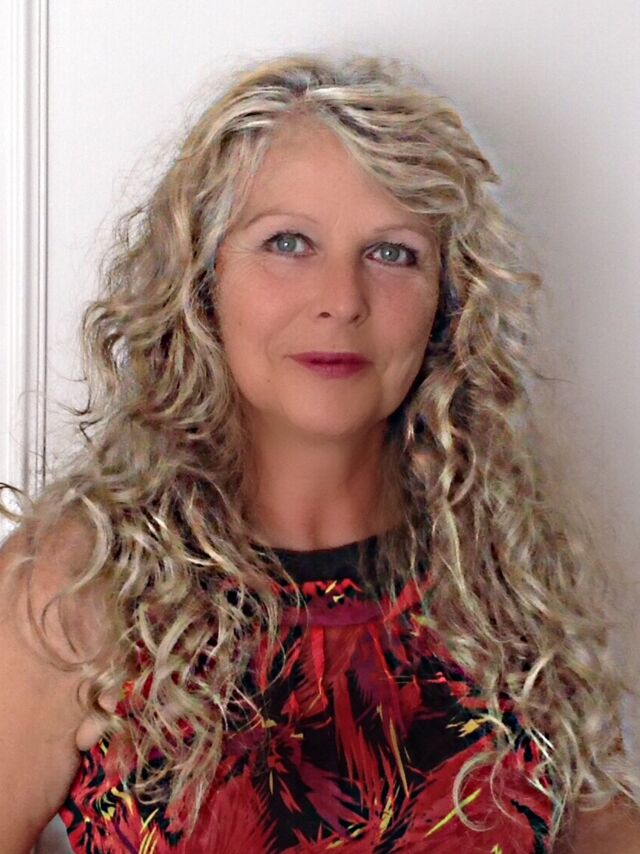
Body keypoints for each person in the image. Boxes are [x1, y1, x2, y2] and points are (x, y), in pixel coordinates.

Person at [1, 51, 639, 854]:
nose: (342, 300)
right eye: (288, 242)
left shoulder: (506, 575)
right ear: (202, 283)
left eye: (392, 253)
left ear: (447, 304)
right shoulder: (76, 587)